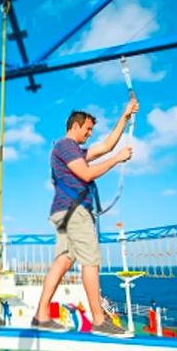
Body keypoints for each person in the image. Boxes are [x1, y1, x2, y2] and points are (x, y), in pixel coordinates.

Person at [32, 99, 138, 337]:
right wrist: (117, 159)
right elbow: (87, 173)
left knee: (63, 260)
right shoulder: (66, 146)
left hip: (65, 211)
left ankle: (41, 315)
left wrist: (125, 116)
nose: (90, 134)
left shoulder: (72, 150)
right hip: (75, 211)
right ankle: (99, 320)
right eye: (88, 129)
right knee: (91, 261)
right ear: (75, 126)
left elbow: (107, 145)